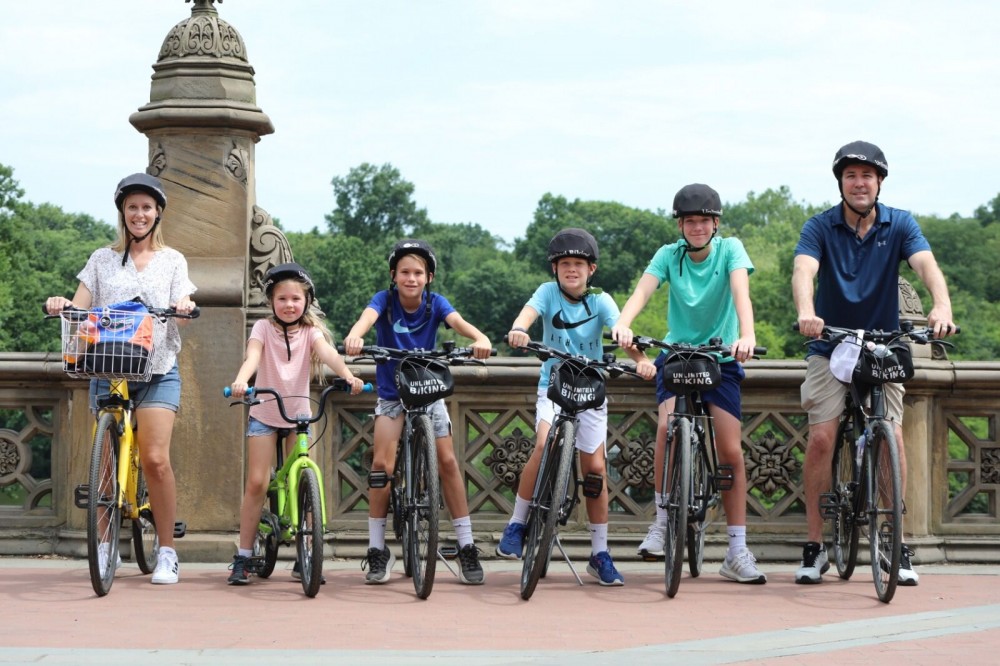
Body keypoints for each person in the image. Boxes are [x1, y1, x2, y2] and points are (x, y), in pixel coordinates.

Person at [792, 140, 956, 585]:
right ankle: (813, 546)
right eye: (851, 176)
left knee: (893, 440)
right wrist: (807, 312)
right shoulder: (820, 226)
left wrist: (942, 306)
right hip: (830, 344)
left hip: (882, 345)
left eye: (867, 175)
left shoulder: (899, 223)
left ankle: (895, 544)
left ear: (879, 182)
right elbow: (804, 270)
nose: (859, 183)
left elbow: (926, 264)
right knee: (823, 438)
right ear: (841, 183)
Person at [611, 184, 767, 585]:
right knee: (666, 429)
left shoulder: (731, 249)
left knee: (730, 451)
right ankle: (662, 523)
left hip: (720, 358)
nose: (697, 227)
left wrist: (746, 334)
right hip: (678, 355)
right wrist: (623, 323)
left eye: (704, 220)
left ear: (715, 224)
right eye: (689, 221)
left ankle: (736, 550)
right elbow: (641, 291)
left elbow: (741, 292)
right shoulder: (669, 255)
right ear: (680, 225)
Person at [45, 172, 196, 585]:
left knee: (155, 458)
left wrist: (183, 304)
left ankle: (166, 551)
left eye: (147, 207)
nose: (139, 214)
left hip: (157, 368)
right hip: (108, 367)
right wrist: (62, 304)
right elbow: (80, 307)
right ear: (122, 213)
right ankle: (107, 543)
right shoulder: (101, 259)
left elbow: (185, 296)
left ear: (158, 213)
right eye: (132, 207)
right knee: (105, 467)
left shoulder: (173, 260)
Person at [497, 228, 650, 586]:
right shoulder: (548, 292)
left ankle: (599, 553)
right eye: (565, 264)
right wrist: (519, 329)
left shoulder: (600, 300)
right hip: (554, 386)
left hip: (591, 391)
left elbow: (619, 330)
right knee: (542, 443)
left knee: (595, 470)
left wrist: (640, 357)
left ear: (591, 269)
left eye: (579, 264)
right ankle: (517, 524)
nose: (571, 270)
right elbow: (527, 315)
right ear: (555, 268)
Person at [342, 239, 493, 586]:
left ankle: (466, 545)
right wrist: (354, 336)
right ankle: (378, 549)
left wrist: (479, 337)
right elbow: (367, 318)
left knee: (449, 462)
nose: (411, 279)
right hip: (393, 394)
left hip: (428, 392)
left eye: (418, 273)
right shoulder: (385, 301)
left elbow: (458, 322)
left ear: (429, 277)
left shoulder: (435, 304)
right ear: (394, 275)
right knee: (382, 466)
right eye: (405, 272)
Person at [226, 262, 364, 585]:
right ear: (271, 301)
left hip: (300, 414)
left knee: (304, 474)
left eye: (296, 299)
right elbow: (253, 357)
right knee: (258, 483)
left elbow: (329, 354)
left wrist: (347, 375)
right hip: (264, 410)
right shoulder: (262, 328)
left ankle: (308, 553)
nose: (289, 305)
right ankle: (243, 557)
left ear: (306, 302)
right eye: (282, 299)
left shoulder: (310, 333)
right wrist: (241, 380)